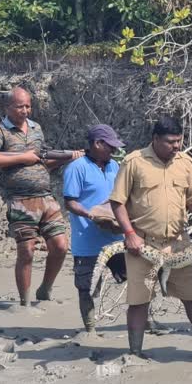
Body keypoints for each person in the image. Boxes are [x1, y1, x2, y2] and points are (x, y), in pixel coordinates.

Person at [109, 116, 192, 358]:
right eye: (171, 142)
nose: (177, 147)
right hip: (142, 244)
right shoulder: (134, 162)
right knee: (139, 302)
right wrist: (129, 234)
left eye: (179, 141)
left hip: (178, 244)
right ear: (156, 139)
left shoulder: (186, 163)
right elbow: (117, 202)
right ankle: (135, 354)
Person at [0, 87, 82, 306]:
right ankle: (24, 302)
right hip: (20, 200)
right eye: (20, 106)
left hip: (46, 197)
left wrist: (68, 157)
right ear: (8, 107)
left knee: (61, 246)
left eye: (28, 105)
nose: (25, 110)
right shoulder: (0, 131)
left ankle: (45, 289)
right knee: (26, 251)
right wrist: (23, 156)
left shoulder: (37, 129)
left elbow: (42, 162)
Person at [63, 124, 127, 334]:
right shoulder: (77, 167)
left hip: (116, 240)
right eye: (110, 146)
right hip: (87, 242)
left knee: (136, 279)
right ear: (97, 144)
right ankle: (90, 329)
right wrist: (91, 214)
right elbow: (70, 202)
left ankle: (143, 322)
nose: (114, 151)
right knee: (87, 289)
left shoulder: (114, 167)